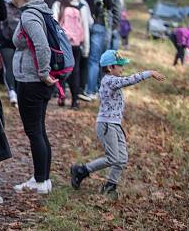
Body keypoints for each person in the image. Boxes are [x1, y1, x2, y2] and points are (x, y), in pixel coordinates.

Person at [70, 50, 165, 198]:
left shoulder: (112, 80)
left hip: (114, 125)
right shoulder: (109, 80)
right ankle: (82, 170)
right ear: (110, 68)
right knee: (113, 158)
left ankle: (110, 185)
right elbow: (128, 80)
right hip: (107, 125)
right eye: (119, 66)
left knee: (122, 158)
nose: (122, 68)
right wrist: (148, 73)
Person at [10, 0, 57, 195]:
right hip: (33, 80)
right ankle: (43, 178)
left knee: (34, 131)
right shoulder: (38, 10)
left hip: (31, 81)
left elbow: (41, 45)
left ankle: (40, 180)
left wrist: (44, 73)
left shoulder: (29, 16)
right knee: (39, 129)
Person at [52, 0, 91, 109]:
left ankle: (61, 95)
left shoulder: (58, 4)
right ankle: (74, 101)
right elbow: (85, 27)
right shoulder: (81, 6)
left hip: (61, 45)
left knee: (60, 70)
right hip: (75, 45)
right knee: (75, 71)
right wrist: (86, 48)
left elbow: (54, 25)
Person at [80, 0, 117, 100]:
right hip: (99, 25)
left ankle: (82, 87)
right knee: (95, 60)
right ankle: (92, 90)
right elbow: (110, 6)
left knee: (84, 57)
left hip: (84, 24)